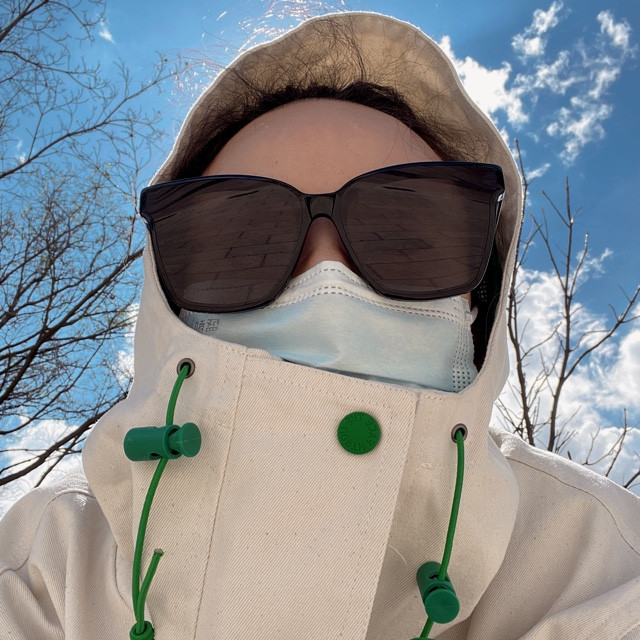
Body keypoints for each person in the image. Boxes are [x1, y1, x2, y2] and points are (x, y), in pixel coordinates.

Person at [1, 11, 639, 640]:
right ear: (169, 302)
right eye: (241, 244)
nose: (328, 277)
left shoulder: (592, 560)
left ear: (479, 303)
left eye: (406, 238)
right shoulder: (51, 562)